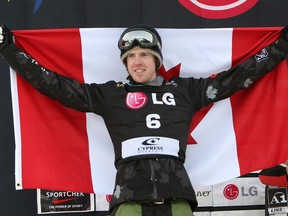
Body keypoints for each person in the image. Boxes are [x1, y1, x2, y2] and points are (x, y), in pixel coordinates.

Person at [1, 24, 288, 216]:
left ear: (157, 60)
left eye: (145, 55)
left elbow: (236, 78)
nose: (138, 61)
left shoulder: (185, 91)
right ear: (125, 62)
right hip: (129, 203)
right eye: (131, 56)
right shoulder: (110, 95)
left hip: (177, 201)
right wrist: (9, 48)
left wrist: (281, 46)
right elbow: (55, 85)